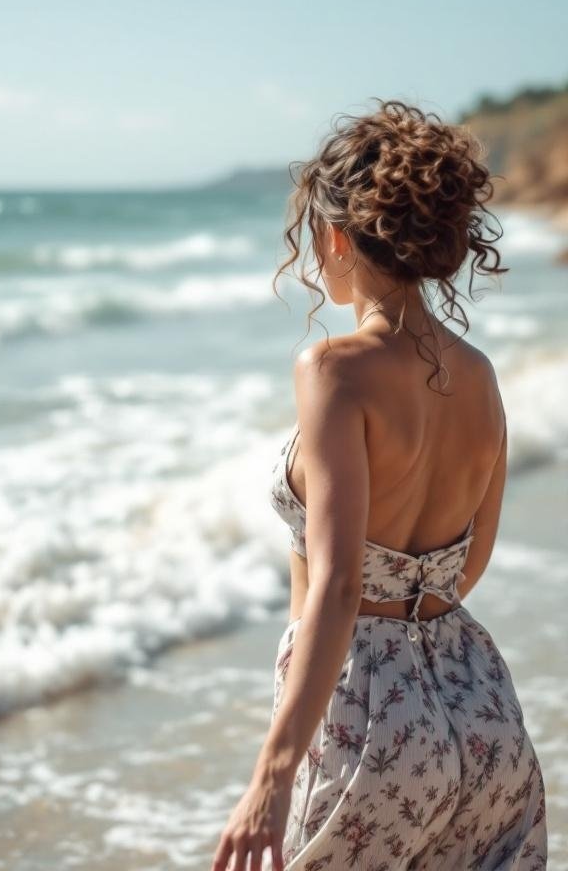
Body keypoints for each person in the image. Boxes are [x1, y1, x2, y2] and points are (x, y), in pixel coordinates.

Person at [210, 99, 547, 870]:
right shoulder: (481, 376)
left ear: (336, 235)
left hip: (370, 722)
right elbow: (468, 565)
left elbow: (335, 588)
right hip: (483, 708)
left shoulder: (334, 370)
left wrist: (270, 776)